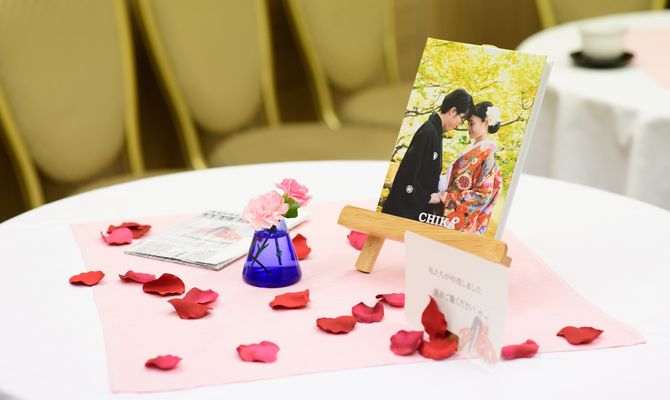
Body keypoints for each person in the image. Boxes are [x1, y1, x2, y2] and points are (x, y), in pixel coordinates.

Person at [382, 89, 474, 221]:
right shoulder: (428, 133)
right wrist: (429, 198)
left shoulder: (435, 132)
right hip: (401, 211)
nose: (459, 124)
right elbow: (407, 177)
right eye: (462, 119)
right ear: (453, 111)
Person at [439, 101, 503, 234]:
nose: (468, 127)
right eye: (468, 123)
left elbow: (483, 195)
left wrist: (449, 198)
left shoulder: (487, 155)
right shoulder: (474, 148)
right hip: (445, 211)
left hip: (457, 217)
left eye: (472, 123)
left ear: (485, 122)